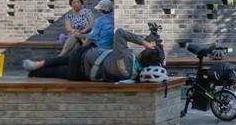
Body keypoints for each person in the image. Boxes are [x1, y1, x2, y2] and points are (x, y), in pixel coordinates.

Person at [23, 25, 161, 82]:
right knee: (55, 72)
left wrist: (144, 42)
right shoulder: (136, 74)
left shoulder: (124, 58)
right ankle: (35, 70)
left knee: (61, 61)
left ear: (140, 56)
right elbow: (154, 59)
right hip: (82, 75)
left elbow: (120, 33)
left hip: (81, 57)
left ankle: (38, 64)